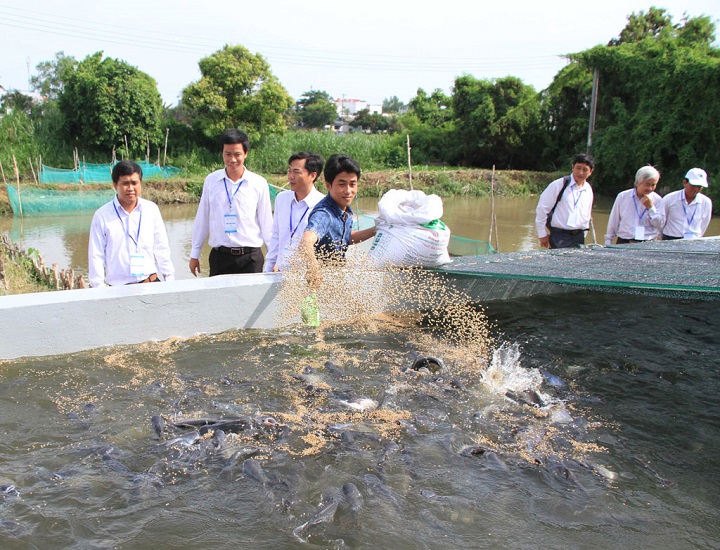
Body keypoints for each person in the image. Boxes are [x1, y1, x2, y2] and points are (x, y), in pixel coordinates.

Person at [189, 129, 272, 276]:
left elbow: (266, 223)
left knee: (251, 299)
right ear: (222, 153)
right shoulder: (211, 181)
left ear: (245, 153)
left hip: (250, 258)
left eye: (237, 154)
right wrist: (195, 254)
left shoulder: (258, 183)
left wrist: (273, 257)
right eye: (228, 154)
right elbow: (203, 218)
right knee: (218, 299)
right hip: (220, 257)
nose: (232, 159)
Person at [88, 160, 175, 287]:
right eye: (125, 183)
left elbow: (161, 247)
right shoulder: (102, 216)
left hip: (150, 284)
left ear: (140, 184)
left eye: (134, 183)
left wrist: (170, 279)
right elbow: (96, 256)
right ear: (115, 185)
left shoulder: (151, 209)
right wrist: (99, 289)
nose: (130, 188)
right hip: (118, 290)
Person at [298, 154, 377, 286]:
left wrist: (376, 229)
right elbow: (306, 242)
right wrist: (313, 268)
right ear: (328, 185)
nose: (348, 191)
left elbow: (345, 238)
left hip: (336, 279)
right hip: (319, 282)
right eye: (342, 184)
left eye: (352, 184)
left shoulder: (345, 209)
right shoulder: (324, 214)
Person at [264, 152, 325, 272]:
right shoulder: (281, 199)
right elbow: (276, 236)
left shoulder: (323, 205)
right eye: (289, 171)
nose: (291, 176)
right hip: (280, 273)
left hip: (306, 275)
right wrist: (267, 269)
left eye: (296, 172)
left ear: (312, 175)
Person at [535, 153, 595, 249]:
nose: (580, 172)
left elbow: (587, 213)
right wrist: (542, 234)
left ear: (591, 171)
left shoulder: (588, 189)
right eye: (578, 168)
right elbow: (542, 209)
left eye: (585, 170)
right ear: (572, 167)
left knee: (576, 263)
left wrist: (584, 234)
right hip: (559, 236)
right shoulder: (559, 185)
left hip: (579, 236)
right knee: (558, 263)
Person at [604, 165, 665, 245]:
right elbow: (614, 221)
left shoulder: (658, 200)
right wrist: (608, 241)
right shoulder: (623, 196)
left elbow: (660, 225)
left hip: (647, 243)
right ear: (637, 183)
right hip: (624, 242)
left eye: (653, 185)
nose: (650, 188)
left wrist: (651, 208)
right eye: (647, 184)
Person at [661, 168, 713, 240]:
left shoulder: (706, 202)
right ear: (685, 183)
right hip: (670, 239)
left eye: (699, 187)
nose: (696, 189)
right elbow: (661, 221)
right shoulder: (669, 199)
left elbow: (704, 224)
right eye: (693, 186)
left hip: (693, 241)